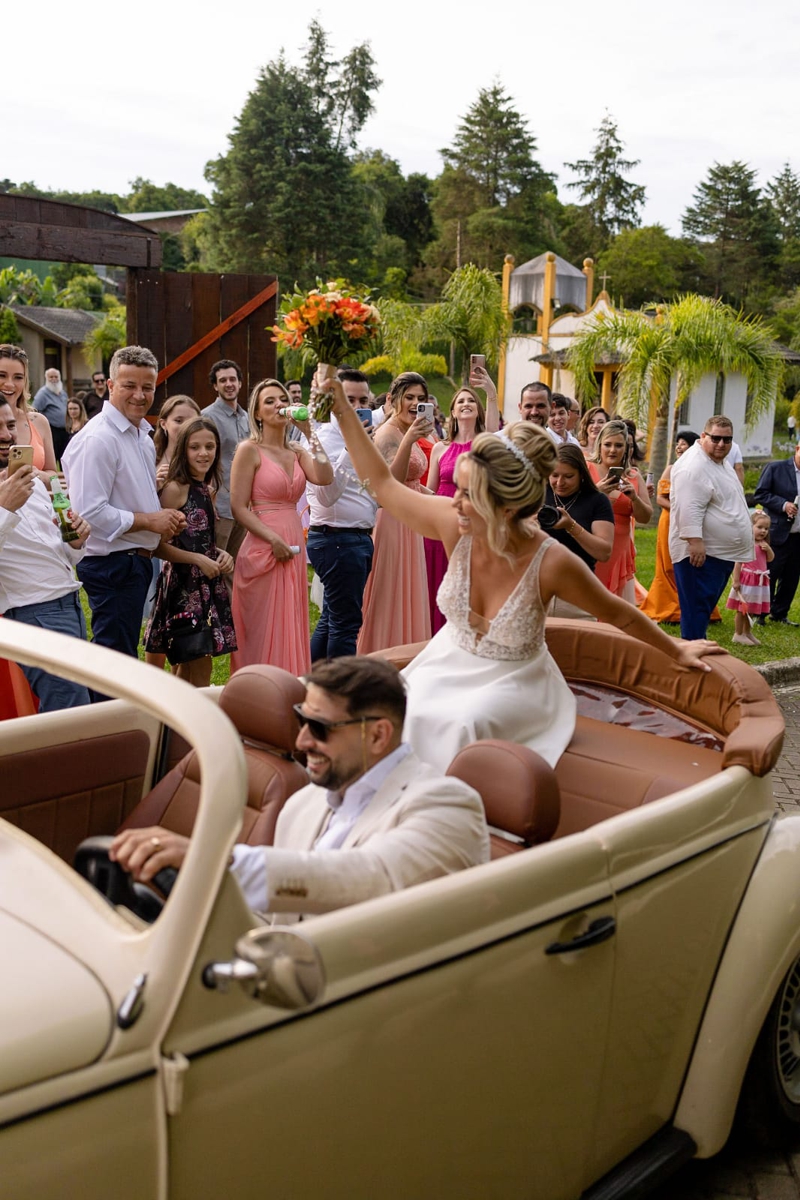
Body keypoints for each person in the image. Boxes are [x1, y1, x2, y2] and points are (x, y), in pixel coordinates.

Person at [324, 378, 720, 773]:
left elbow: (619, 612)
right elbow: (382, 484)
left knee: (463, 727)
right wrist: (340, 407)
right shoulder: (454, 521)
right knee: (387, 715)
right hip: (446, 661)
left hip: (514, 682)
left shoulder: (550, 561)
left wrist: (677, 650)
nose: (453, 501)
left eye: (468, 494)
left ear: (507, 505)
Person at [109, 656, 490, 921]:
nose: (302, 740)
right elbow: (271, 918)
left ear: (378, 735)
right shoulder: (303, 803)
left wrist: (215, 861)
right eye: (300, 720)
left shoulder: (447, 806)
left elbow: (373, 876)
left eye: (320, 728)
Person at [62, 345, 186, 660]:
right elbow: (89, 512)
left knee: (122, 654)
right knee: (115, 659)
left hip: (133, 562)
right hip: (112, 565)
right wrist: (150, 521)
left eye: (147, 387)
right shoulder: (99, 438)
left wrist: (162, 514)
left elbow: (128, 493)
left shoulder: (140, 435)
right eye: (129, 385)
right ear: (111, 385)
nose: (139, 395)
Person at [230, 378, 332, 675]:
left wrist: (310, 433)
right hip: (264, 542)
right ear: (257, 413)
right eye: (270, 401)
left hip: (293, 540)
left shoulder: (297, 451)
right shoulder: (249, 450)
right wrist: (272, 539)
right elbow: (238, 507)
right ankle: (257, 687)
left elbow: (325, 477)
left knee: (290, 617)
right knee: (262, 624)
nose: (278, 405)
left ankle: (289, 683)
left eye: (282, 400)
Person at [0, 395, 92, 711]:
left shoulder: (33, 482)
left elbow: (60, 552)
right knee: (71, 712)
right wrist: (5, 508)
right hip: (33, 612)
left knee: (69, 711)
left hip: (71, 605)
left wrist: (76, 541)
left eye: (10, 425)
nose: (6, 435)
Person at [144, 418, 236, 687]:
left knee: (188, 668)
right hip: (182, 588)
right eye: (195, 447)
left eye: (210, 446)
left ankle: (175, 715)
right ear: (183, 449)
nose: (203, 453)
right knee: (197, 670)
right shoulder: (175, 489)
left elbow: (197, 539)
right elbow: (155, 545)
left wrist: (221, 554)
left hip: (205, 584)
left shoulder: (207, 489)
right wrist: (197, 559)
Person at [357, 372, 433, 654]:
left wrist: (441, 500)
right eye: (409, 397)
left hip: (410, 518)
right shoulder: (389, 434)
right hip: (392, 520)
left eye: (420, 398)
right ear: (392, 400)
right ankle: (382, 652)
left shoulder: (407, 430)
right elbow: (391, 483)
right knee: (391, 592)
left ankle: (406, 654)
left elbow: (412, 484)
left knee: (408, 591)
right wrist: (408, 441)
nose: (415, 403)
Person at [306, 370, 378, 661]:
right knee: (345, 625)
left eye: (363, 400)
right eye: (350, 400)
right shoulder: (324, 437)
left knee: (332, 619)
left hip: (357, 538)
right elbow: (326, 495)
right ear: (334, 401)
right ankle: (341, 684)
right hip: (336, 539)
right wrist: (350, 448)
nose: (357, 407)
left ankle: (315, 677)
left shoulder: (366, 435)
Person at [424, 373, 499, 634]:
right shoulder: (439, 448)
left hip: (472, 524)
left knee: (466, 586)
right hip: (440, 526)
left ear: (478, 410)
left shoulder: (484, 444)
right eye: (461, 401)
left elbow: (494, 433)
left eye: (471, 401)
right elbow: (430, 490)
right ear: (453, 412)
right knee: (437, 583)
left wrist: (490, 393)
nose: (466, 404)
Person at [669, 415, 753, 641]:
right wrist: (694, 541)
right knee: (696, 608)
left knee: (702, 608)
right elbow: (688, 506)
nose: (721, 444)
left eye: (727, 440)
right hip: (699, 554)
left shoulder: (717, 461)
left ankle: (697, 648)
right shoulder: (693, 466)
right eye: (715, 438)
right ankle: (692, 652)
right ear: (703, 436)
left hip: (718, 553)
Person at [640, 431, 701, 625]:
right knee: (669, 563)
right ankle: (668, 607)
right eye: (678, 443)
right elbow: (660, 499)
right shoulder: (671, 469)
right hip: (670, 520)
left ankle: (690, 607)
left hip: (693, 522)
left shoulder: (699, 471)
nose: (679, 447)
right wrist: (681, 510)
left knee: (691, 562)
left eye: (684, 443)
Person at [587, 420, 652, 602]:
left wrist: (634, 498)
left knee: (617, 603)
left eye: (618, 445)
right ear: (599, 445)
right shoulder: (587, 469)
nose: (612, 450)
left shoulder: (633, 476)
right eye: (607, 445)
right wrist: (598, 492)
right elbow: (574, 504)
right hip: (593, 544)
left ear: (626, 448)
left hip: (620, 549)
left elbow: (645, 517)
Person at [541, 444, 613, 586]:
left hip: (578, 582)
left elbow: (604, 553)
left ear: (581, 474)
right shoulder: (537, 494)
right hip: (539, 580)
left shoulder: (597, 500)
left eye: (568, 476)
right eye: (554, 475)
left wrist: (571, 526)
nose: (560, 483)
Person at [204, 359, 250, 565]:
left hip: (243, 507)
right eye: (223, 380)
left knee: (237, 565)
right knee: (217, 564)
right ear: (215, 386)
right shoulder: (207, 417)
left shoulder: (246, 417)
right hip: (220, 506)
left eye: (232, 379)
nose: (229, 384)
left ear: (240, 383)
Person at [754, 441, 800, 626]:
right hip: (777, 531)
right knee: (770, 573)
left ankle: (780, 613)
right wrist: (783, 505)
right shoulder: (776, 468)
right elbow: (760, 494)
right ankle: (760, 613)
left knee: (792, 576)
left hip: (798, 535)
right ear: (797, 449)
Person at [0, 344, 58, 480]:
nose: (10, 384)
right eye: (2, 375)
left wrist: (36, 474)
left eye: (18, 377)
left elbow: (53, 476)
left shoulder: (39, 422)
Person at [726, 513, 774, 646]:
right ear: (750, 526)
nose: (763, 531)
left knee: (751, 609)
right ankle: (738, 634)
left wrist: (769, 550)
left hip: (759, 581)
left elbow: (770, 559)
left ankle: (747, 632)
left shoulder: (763, 544)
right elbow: (738, 563)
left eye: (766, 528)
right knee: (742, 609)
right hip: (748, 581)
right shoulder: (748, 544)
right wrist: (736, 581)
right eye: (759, 527)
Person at [153, 394, 201, 489]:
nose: (186, 426)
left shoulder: (202, 458)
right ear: (163, 424)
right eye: (179, 421)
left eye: (192, 421)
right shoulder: (149, 456)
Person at [33, 367, 69, 460]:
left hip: (65, 430)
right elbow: (34, 411)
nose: (54, 379)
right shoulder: (42, 394)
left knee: (65, 457)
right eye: (51, 377)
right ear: (46, 378)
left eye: (56, 377)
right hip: (52, 431)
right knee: (53, 457)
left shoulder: (63, 393)